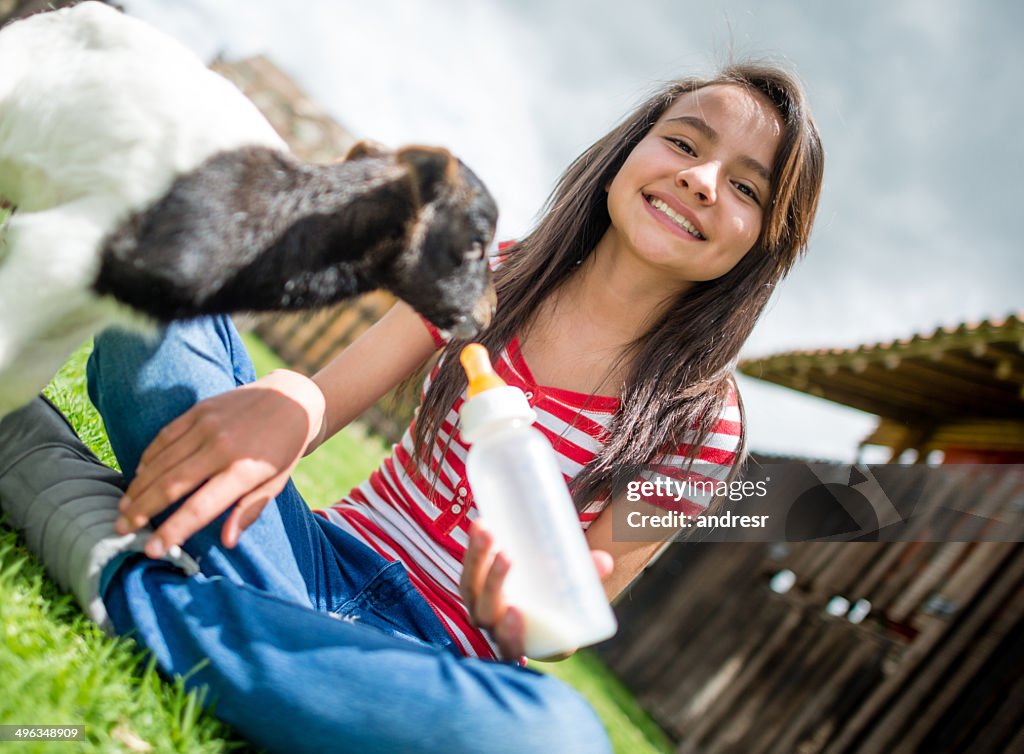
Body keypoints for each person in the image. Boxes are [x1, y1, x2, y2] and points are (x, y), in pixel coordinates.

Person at [0, 62, 823, 753]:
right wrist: (289, 400)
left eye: (745, 187)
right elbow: (321, 404)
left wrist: (520, 614)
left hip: (429, 657)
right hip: (298, 554)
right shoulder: (491, 271)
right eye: (684, 142)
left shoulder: (704, 423)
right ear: (628, 152)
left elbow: (563, 625)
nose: (700, 180)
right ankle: (263, 653)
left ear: (765, 241)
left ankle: (91, 530)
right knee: (164, 306)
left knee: (558, 740)